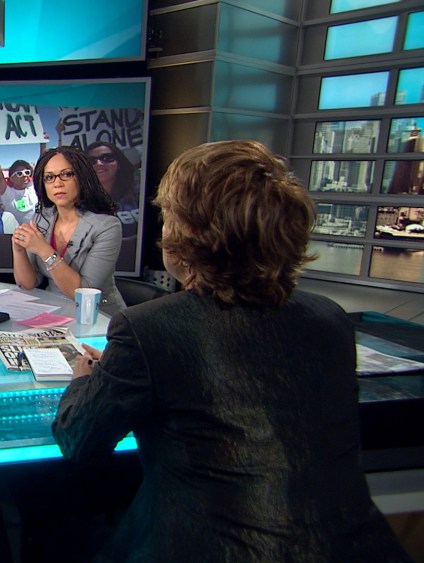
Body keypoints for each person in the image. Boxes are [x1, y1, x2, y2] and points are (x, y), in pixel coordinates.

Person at [52, 140, 412, 561]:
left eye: (168, 216)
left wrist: (83, 380)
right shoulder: (329, 317)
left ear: (186, 234)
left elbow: (78, 440)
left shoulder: (147, 327)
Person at [11, 147, 125, 314]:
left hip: (96, 315)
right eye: (49, 177)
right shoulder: (42, 219)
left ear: (82, 177)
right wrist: (18, 250)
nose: (57, 183)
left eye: (66, 174)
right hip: (53, 311)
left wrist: (44, 250)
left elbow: (84, 293)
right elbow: (27, 284)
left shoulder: (107, 226)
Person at [85, 141, 141, 271]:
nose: (99, 163)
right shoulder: (77, 201)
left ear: (119, 162)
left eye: (107, 157)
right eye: (92, 161)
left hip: (135, 270)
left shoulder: (139, 192)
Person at [0, 134, 41, 225]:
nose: (25, 176)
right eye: (19, 173)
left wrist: (43, 143)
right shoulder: (8, 194)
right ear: (11, 178)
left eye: (27, 172)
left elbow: (40, 166)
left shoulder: (32, 187)